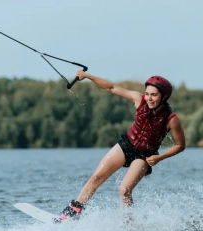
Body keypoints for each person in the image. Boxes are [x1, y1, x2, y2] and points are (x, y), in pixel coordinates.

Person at [55, 71, 186, 222]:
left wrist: (159, 157)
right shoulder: (139, 99)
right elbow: (111, 88)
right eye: (148, 94)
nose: (149, 98)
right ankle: (73, 212)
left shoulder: (171, 119)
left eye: (154, 95)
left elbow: (180, 145)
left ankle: (128, 226)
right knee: (97, 177)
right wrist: (88, 76)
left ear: (164, 97)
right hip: (126, 144)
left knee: (125, 190)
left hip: (145, 155)